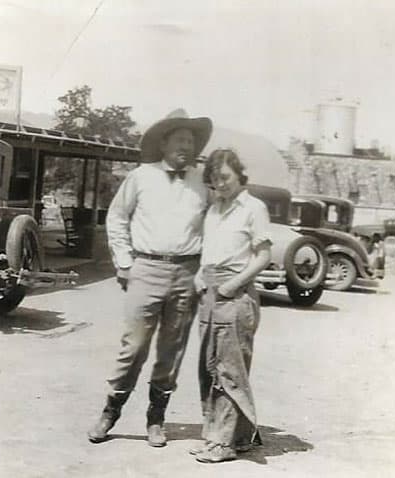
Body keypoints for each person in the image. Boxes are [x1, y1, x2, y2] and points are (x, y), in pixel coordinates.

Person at [87, 109, 212, 447]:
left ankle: (156, 419)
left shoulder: (203, 181)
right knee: (135, 347)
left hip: (187, 271)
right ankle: (111, 411)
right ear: (164, 143)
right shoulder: (141, 176)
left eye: (191, 140)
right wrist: (124, 263)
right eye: (180, 139)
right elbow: (116, 217)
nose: (186, 145)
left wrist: (203, 270)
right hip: (145, 268)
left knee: (172, 350)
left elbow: (215, 225)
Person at [189, 148, 272, 463]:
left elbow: (262, 255)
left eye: (224, 177)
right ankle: (218, 436)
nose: (219, 185)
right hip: (210, 293)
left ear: (239, 174)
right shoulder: (214, 210)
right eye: (213, 180)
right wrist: (200, 274)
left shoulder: (253, 208)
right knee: (209, 367)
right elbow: (209, 251)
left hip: (235, 295)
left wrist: (234, 283)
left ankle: (225, 443)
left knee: (230, 370)